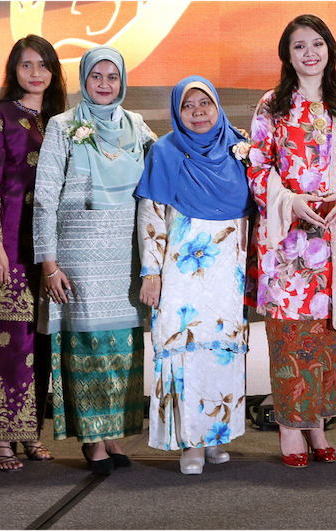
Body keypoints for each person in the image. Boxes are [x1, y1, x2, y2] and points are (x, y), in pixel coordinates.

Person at [246, 14, 336, 468]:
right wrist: (291, 201)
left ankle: (316, 421)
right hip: (288, 246)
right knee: (289, 336)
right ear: (288, 55)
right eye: (299, 46)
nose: (309, 53)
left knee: (326, 336)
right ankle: (288, 425)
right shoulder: (272, 105)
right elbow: (258, 167)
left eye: (316, 43)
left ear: (330, 49)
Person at [33, 46, 152, 475]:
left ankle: (114, 432)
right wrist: (49, 264)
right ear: (83, 79)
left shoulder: (137, 126)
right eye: (96, 76)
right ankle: (92, 439)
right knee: (87, 346)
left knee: (123, 346)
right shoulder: (62, 126)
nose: (104, 84)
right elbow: (45, 198)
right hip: (79, 253)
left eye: (113, 77)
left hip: (125, 252)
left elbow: (163, 171)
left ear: (122, 81)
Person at [138, 76, 252, 475]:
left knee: (222, 347)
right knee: (185, 347)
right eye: (188, 106)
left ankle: (218, 434)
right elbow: (151, 215)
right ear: (177, 111)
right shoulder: (166, 152)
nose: (198, 112)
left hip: (227, 269)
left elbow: (250, 213)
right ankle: (190, 444)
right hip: (181, 270)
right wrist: (150, 272)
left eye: (205, 103)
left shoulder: (239, 149)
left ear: (218, 106)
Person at [0, 35, 66, 471]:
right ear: (14, 71)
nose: (36, 74)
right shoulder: (0, 117)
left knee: (41, 343)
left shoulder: (61, 120)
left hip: (52, 249)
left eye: (43, 65)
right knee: (7, 341)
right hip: (8, 245)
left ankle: (29, 433)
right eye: (27, 65)